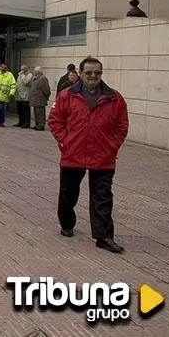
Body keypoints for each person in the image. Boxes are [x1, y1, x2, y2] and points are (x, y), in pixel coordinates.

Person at [48, 57, 128, 254]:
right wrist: (65, 142)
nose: (94, 76)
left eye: (98, 73)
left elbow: (121, 126)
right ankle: (67, 224)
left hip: (103, 157)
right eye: (89, 72)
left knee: (103, 197)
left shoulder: (115, 98)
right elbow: (55, 121)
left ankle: (104, 236)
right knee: (68, 194)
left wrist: (112, 146)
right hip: (73, 154)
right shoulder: (67, 95)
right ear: (81, 73)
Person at [29, 66, 51, 131]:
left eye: (35, 71)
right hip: (35, 99)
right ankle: (37, 124)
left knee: (40, 113)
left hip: (40, 99)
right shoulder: (35, 78)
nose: (34, 72)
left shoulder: (42, 78)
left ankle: (41, 125)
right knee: (36, 113)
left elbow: (46, 89)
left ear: (38, 72)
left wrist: (46, 96)